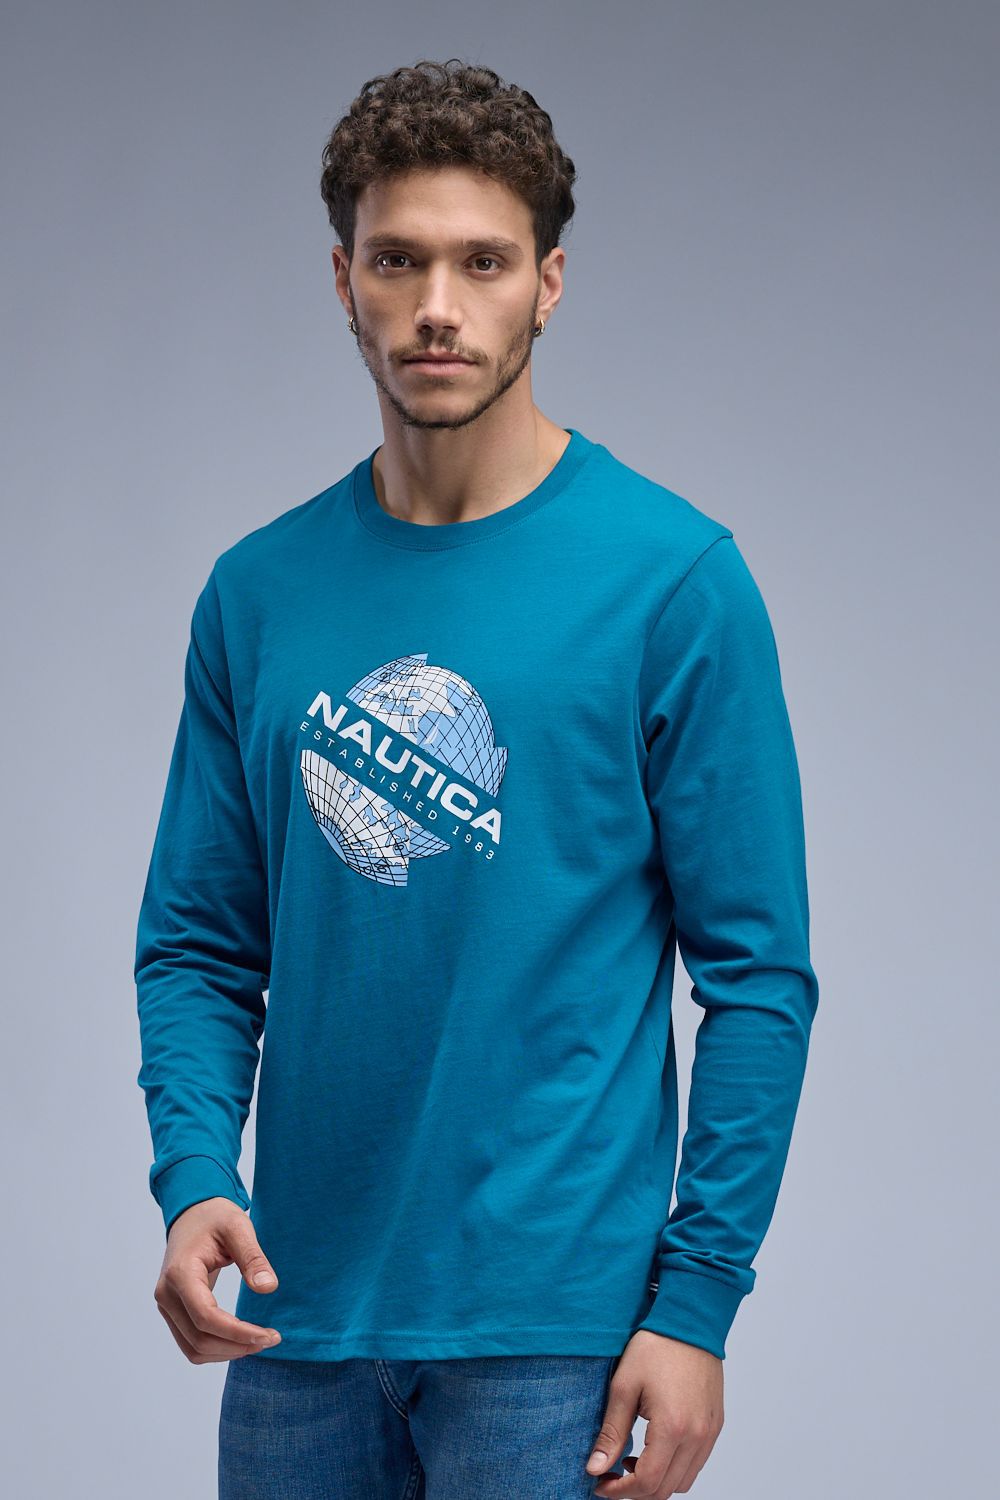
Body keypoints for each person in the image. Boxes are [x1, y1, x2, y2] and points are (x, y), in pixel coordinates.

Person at [134, 56, 820, 1500]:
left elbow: (759, 978)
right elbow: (199, 941)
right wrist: (195, 1175)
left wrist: (696, 1306)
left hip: (555, 1339)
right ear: (344, 281)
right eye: (398, 260)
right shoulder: (256, 594)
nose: (437, 306)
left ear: (548, 285)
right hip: (295, 1323)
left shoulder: (672, 582)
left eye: (483, 262)